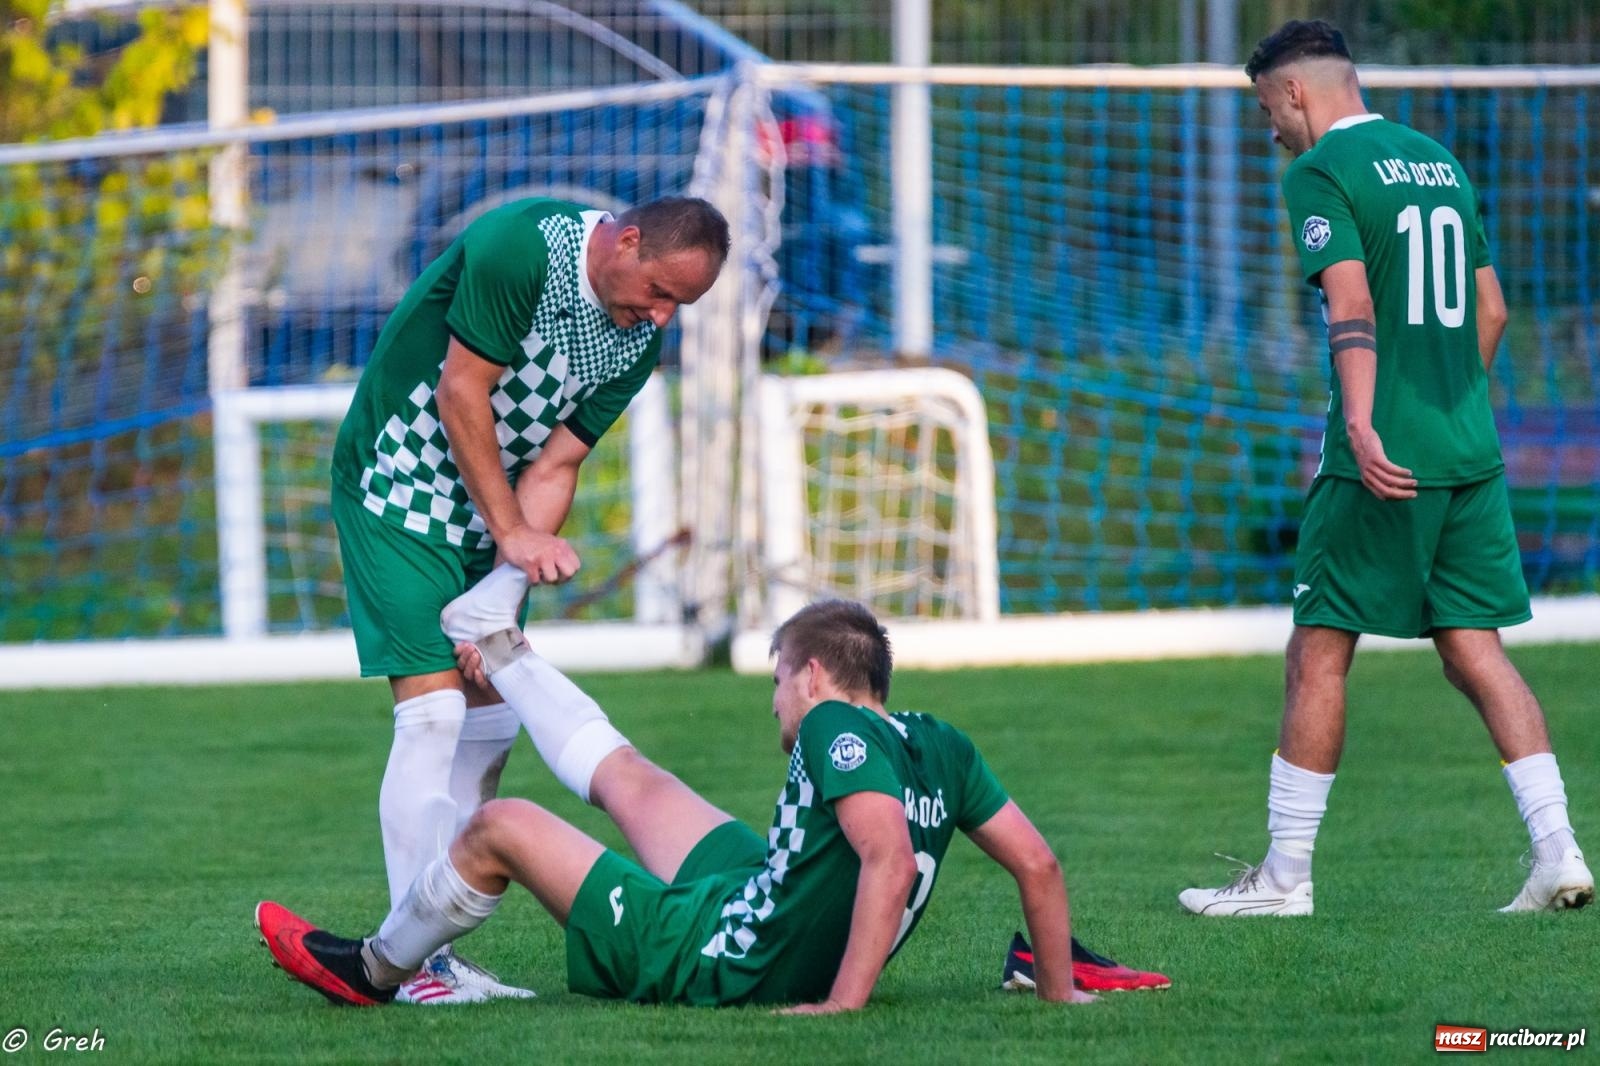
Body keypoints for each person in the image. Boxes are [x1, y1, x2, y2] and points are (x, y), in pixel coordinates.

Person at [1179, 20, 1591, 918]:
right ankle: (1559, 852)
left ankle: (1285, 879)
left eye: (1265, 110)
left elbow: (1351, 302)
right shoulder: (1435, 160)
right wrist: (1446, 406)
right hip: (1465, 450)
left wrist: (1367, 421)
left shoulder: (1319, 173)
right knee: (1476, 650)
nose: (1269, 130)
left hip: (1382, 459)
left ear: (1294, 93)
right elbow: (1491, 309)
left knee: (1317, 652)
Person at [257, 597, 1099, 1009]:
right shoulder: (940, 741)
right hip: (767, 895)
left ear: (811, 676)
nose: (775, 702)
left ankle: (373, 969)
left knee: (499, 827)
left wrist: (843, 1009)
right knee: (633, 778)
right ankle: (505, 652)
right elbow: (1039, 864)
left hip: (724, 958)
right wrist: (1059, 995)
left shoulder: (829, 723)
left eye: (777, 681)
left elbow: (886, 855)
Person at [328, 195, 729, 1000]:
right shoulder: (523, 248)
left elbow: (556, 467)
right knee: (434, 713)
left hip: (494, 509)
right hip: (396, 486)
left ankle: (431, 950)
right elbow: (460, 393)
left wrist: (503, 594)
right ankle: (415, 970)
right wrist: (511, 533)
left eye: (677, 307)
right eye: (657, 292)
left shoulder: (635, 346)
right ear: (627, 239)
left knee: (491, 716)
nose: (658, 316)